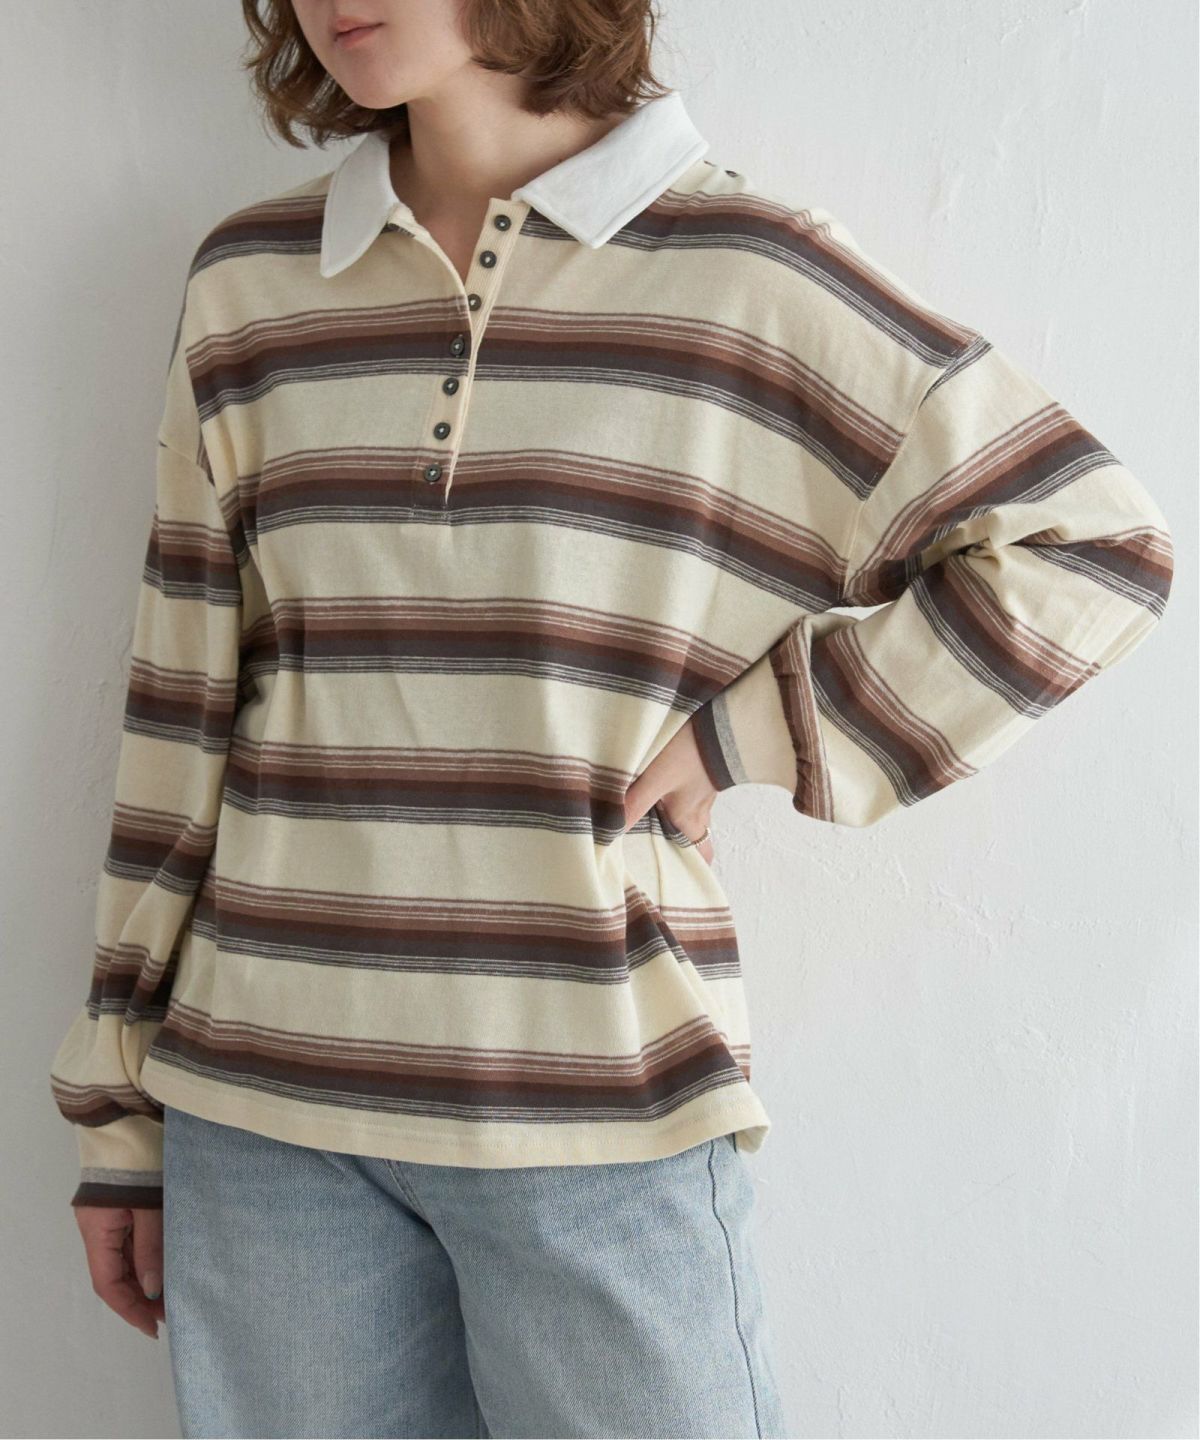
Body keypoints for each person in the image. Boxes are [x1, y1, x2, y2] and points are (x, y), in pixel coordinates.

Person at [48, 1, 1175, 1436]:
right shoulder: (253, 282)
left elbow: (1091, 548)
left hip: (598, 1105)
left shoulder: (740, 272)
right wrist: (120, 1113)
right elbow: (181, 701)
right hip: (262, 1116)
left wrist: (750, 735)